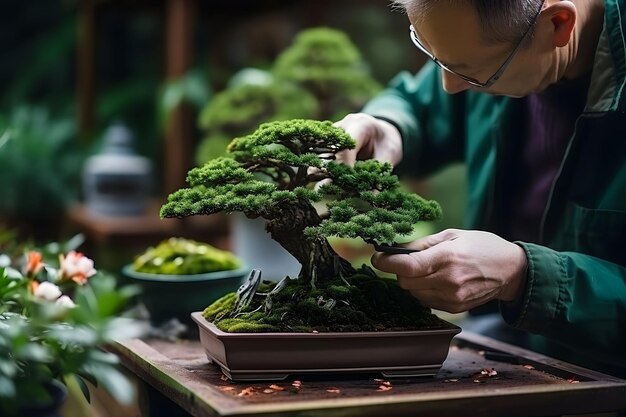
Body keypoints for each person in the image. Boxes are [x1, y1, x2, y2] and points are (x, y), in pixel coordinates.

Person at [335, 0, 626, 377]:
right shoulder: (493, 41)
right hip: (503, 338)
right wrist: (387, 126)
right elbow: (421, 101)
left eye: (471, 75)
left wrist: (523, 276)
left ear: (558, 25)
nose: (449, 87)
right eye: (430, 53)